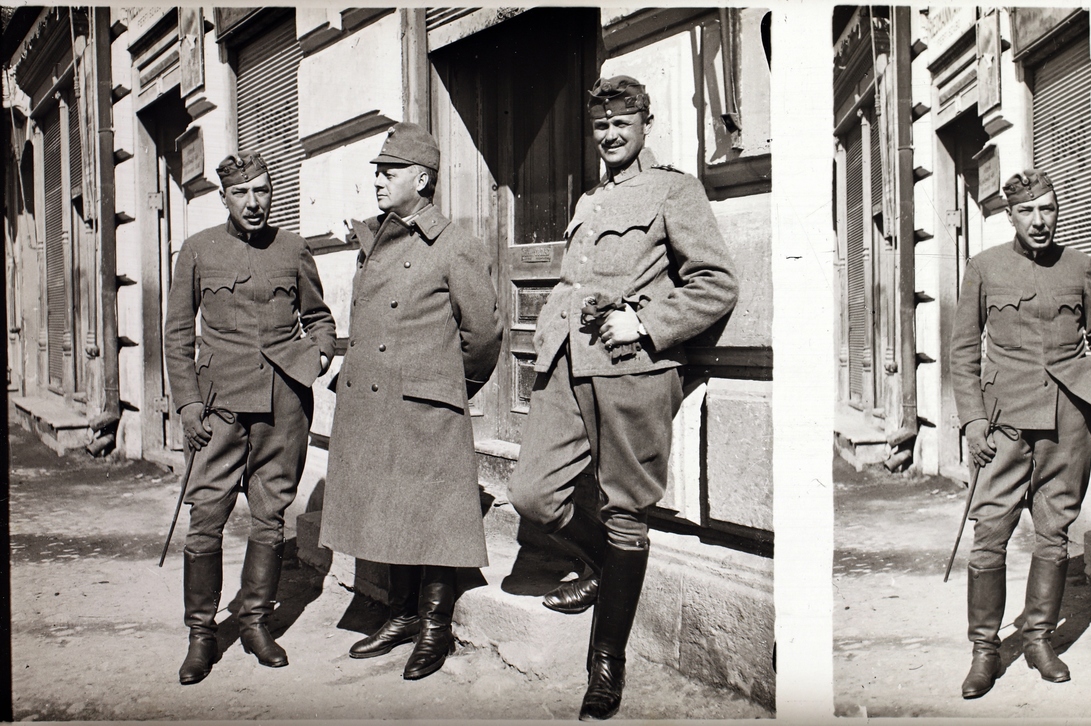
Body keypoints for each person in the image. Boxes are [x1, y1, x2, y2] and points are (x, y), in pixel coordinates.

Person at [508, 75, 739, 721]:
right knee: (533, 492)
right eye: (601, 126)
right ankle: (602, 568)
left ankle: (606, 663)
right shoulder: (588, 198)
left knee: (626, 512)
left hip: (633, 369)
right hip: (565, 365)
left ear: (644, 124)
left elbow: (716, 283)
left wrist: (646, 323)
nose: (609, 135)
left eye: (621, 124)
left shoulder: (674, 189)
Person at [319, 122, 503, 681]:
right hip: (376, 400)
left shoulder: (454, 246)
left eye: (389, 171)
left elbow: (485, 334)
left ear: (420, 179)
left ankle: (435, 625)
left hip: (427, 402)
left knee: (433, 515)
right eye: (378, 170)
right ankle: (399, 614)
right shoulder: (378, 236)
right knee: (386, 505)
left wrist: (447, 384)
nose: (377, 179)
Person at [164, 152, 336, 684]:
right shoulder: (197, 251)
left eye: (262, 191)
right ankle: (201, 634)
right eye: (242, 193)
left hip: (283, 406)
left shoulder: (292, 248)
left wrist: (321, 352)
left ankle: (257, 623)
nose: (254, 202)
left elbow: (318, 316)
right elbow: (176, 335)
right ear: (225, 198)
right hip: (217, 408)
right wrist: (189, 404)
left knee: (270, 516)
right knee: (206, 519)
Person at [947, 170, 1091, 698]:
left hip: (1068, 423)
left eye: (1047, 208)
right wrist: (973, 420)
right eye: (1027, 211)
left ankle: (1040, 638)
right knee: (989, 536)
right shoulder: (984, 268)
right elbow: (962, 352)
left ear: (1057, 209)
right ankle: (985, 650)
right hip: (1002, 424)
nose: (1039, 221)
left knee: (1055, 533)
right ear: (1011, 216)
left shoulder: (1079, 267)